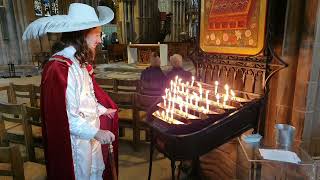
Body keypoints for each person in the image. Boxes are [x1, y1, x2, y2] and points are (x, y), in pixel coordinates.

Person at [23, 3, 118, 180]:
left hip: (90, 135)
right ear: (82, 35)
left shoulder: (78, 63)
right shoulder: (60, 68)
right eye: (97, 35)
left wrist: (103, 110)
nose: (100, 40)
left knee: (95, 173)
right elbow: (67, 118)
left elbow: (86, 99)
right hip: (76, 144)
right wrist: (96, 133)